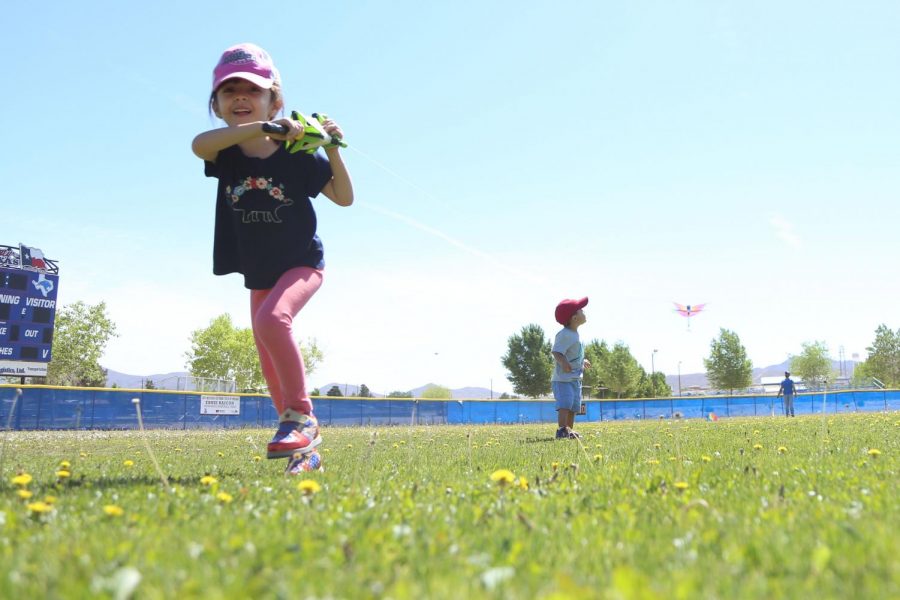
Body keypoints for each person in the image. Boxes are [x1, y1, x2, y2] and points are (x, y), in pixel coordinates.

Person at [192, 43, 354, 474]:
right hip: (259, 269)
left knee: (270, 322)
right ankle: (305, 454)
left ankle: (301, 417)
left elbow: (344, 198)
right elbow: (197, 144)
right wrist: (262, 127)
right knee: (268, 359)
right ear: (218, 105)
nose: (241, 97)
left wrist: (332, 147)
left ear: (275, 99)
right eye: (230, 92)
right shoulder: (225, 151)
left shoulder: (297, 153)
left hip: (302, 263)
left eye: (253, 90)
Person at [551, 297, 591, 439]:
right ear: (574, 318)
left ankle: (569, 431)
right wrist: (563, 362)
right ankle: (562, 429)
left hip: (574, 379)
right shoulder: (565, 335)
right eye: (581, 310)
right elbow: (556, 352)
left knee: (574, 406)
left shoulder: (575, 334)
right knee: (565, 404)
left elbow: (573, 354)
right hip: (563, 379)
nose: (583, 311)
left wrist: (582, 360)